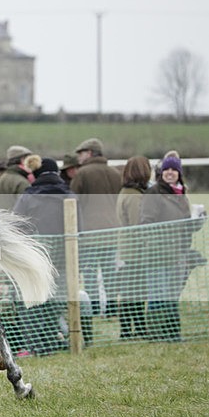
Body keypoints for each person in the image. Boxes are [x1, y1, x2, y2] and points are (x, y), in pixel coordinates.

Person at [12, 156, 77, 355]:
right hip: (64, 257)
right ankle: (52, 341)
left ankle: (36, 346)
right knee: (56, 300)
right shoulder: (69, 194)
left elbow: (16, 225)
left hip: (35, 254)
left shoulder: (28, 195)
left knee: (33, 300)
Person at [140, 152, 204, 341]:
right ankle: (156, 334)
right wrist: (161, 242)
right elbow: (146, 223)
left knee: (171, 296)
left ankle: (172, 333)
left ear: (179, 173)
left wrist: (197, 221)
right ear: (160, 172)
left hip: (177, 254)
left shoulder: (181, 194)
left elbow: (185, 225)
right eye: (166, 169)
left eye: (173, 170)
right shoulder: (153, 193)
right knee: (157, 295)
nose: (169, 173)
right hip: (157, 254)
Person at [70, 137, 122, 322]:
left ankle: (91, 311)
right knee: (109, 274)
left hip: (89, 233)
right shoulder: (115, 173)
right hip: (111, 231)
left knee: (90, 274)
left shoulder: (82, 174)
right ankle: (110, 310)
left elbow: (73, 201)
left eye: (81, 153)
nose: (79, 157)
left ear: (90, 153)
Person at [116, 156, 152, 340]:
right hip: (134, 252)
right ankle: (134, 328)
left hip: (128, 251)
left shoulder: (128, 192)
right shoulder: (134, 196)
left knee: (131, 293)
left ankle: (131, 328)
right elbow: (138, 225)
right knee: (135, 293)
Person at [0, 145, 34, 210]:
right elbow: (27, 207)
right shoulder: (21, 181)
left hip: (3, 218)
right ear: (22, 160)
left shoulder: (3, 177)